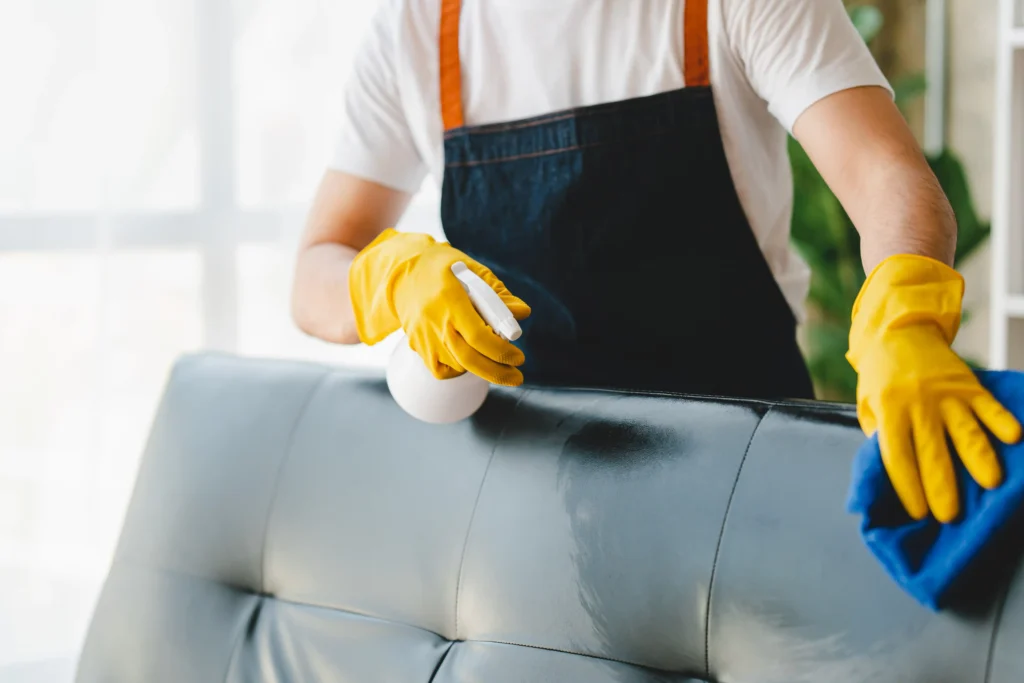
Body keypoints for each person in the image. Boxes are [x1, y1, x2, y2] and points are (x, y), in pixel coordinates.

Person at [291, 0, 1021, 524]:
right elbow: (317, 270)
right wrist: (385, 278)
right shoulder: (417, 29)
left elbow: (888, 177)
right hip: (521, 509)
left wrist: (906, 316)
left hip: (741, 486)